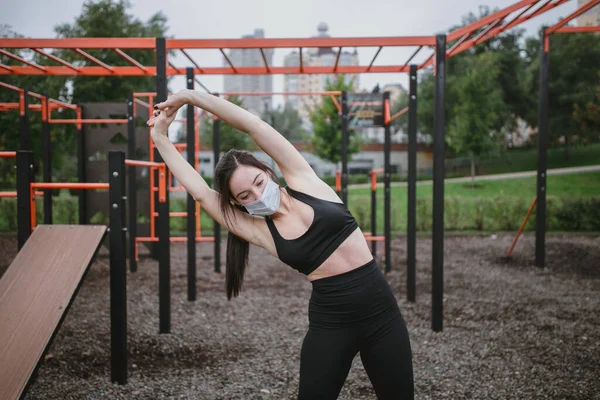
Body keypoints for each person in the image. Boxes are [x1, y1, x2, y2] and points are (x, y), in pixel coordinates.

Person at [147, 89, 414, 400]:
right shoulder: (259, 230)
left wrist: (191, 96)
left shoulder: (304, 180)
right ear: (237, 203)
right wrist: (161, 137)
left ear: (268, 171)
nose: (258, 196)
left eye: (258, 183)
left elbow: (253, 126)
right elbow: (202, 194)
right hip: (331, 325)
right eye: (245, 197)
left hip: (383, 315)